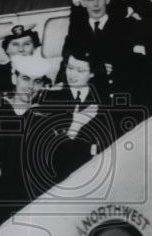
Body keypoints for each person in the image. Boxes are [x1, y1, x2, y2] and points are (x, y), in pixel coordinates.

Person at [62, 0, 152, 108]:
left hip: (123, 99)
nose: (96, 4)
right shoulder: (76, 33)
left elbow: (140, 66)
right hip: (89, 101)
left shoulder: (126, 27)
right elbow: (66, 67)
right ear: (83, 2)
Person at [34, 48, 116, 187]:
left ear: (92, 73)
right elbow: (49, 149)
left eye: (80, 70)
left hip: (95, 171)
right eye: (70, 68)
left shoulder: (102, 101)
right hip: (59, 175)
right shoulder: (50, 99)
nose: (72, 75)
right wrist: (76, 125)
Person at [0, 52, 54, 214]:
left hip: (28, 199)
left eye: (37, 81)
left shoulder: (43, 119)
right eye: (25, 78)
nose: (31, 86)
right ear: (14, 78)